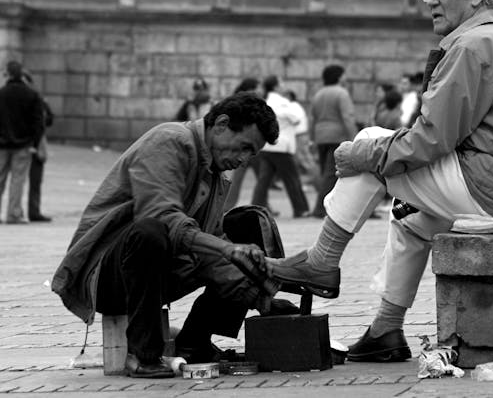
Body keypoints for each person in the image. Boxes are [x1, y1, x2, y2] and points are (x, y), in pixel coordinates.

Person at [271, 0, 493, 362]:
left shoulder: (472, 45)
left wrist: (360, 155)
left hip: (492, 186)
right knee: (411, 219)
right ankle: (386, 330)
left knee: (371, 141)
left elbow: (430, 139)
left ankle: (322, 261)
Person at [51, 92, 294, 378]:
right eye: (242, 148)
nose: (242, 160)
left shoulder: (216, 175)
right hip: (110, 275)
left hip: (162, 268)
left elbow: (210, 252)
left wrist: (259, 296)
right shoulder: (168, 141)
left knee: (251, 222)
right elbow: (162, 217)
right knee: (152, 230)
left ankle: (194, 342)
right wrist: (225, 249)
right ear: (221, 124)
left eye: (250, 155)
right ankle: (144, 356)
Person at [251, 75, 309, 218]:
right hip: (282, 146)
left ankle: (255, 207)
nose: (283, 85)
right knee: (292, 179)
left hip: (267, 146)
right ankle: (301, 209)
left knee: (263, 181)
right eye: (281, 82)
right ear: (276, 86)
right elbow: (296, 119)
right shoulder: (282, 102)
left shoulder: (266, 101)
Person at [309, 65, 358, 218]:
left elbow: (312, 119)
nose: (346, 78)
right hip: (336, 136)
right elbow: (347, 117)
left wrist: (312, 138)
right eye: (344, 75)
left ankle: (330, 206)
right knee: (331, 174)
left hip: (320, 137)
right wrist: (355, 138)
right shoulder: (342, 93)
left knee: (326, 173)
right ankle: (320, 208)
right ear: (338, 76)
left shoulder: (318, 94)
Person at [0, 61, 45, 224]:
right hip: (23, 145)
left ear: (9, 74)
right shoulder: (32, 95)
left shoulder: (2, 93)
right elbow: (38, 123)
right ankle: (13, 214)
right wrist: (35, 144)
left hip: (2, 145)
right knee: (17, 181)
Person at [224, 78, 261, 212]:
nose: (259, 90)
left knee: (262, 177)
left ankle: (228, 205)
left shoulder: (240, 101)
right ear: (250, 89)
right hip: (245, 145)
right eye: (257, 87)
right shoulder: (243, 103)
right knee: (240, 176)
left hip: (248, 144)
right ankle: (227, 205)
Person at [22, 71, 54, 222]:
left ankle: (28, 211)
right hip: (29, 143)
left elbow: (48, 119)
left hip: (23, 143)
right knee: (30, 180)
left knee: (30, 180)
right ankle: (31, 212)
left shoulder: (35, 97)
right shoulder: (36, 96)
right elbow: (48, 119)